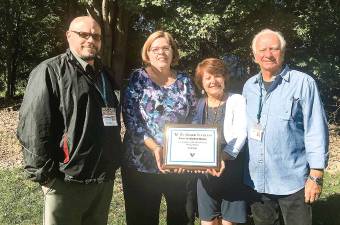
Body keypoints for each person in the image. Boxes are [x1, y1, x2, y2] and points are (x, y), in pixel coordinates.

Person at [16, 16, 122, 225]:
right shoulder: (50, 71)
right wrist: (46, 176)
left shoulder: (103, 74)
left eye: (96, 36)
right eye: (84, 34)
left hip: (102, 179)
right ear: (68, 36)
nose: (91, 40)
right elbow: (33, 127)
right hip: (66, 181)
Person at [242, 28, 329, 225]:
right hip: (257, 181)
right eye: (262, 50)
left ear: (283, 52)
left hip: (293, 180)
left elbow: (316, 130)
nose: (268, 54)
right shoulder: (249, 87)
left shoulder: (303, 83)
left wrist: (316, 175)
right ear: (254, 55)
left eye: (274, 48)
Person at [122, 30, 197, 225]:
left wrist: (187, 153)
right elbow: (132, 120)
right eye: (155, 49)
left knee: (182, 218)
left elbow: (194, 118)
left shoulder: (185, 81)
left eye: (166, 48)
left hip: (179, 166)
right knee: (143, 219)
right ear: (147, 53)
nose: (161, 52)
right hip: (142, 164)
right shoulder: (137, 79)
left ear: (173, 52)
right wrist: (155, 147)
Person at [193, 58, 248, 225]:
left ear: (224, 78)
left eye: (217, 75)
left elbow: (240, 133)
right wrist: (193, 160)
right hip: (206, 173)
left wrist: (221, 158)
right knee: (207, 221)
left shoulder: (237, 100)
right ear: (201, 83)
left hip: (231, 168)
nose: (213, 81)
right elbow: (193, 136)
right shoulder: (198, 104)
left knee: (229, 222)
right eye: (207, 77)